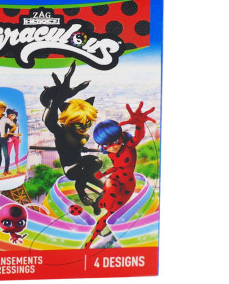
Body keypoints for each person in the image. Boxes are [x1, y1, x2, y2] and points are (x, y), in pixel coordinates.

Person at [84, 101, 155, 248]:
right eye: (106, 145)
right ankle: (91, 240)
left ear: (121, 136)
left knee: (110, 211)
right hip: (115, 180)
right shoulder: (111, 154)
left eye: (115, 141)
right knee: (109, 198)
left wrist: (139, 123)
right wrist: (104, 173)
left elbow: (139, 136)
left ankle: (95, 236)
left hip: (126, 183)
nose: (112, 147)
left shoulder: (128, 147)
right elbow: (117, 167)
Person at [41, 61, 104, 208]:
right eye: (78, 124)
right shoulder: (62, 132)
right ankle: (81, 191)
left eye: (87, 124)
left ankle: (97, 202)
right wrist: (55, 102)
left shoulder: (79, 134)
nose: (84, 128)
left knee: (97, 171)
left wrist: (82, 147)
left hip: (80, 163)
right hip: (70, 169)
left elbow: (76, 146)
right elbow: (49, 122)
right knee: (95, 165)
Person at [0, 100, 16, 175]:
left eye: (1, 109)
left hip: (3, 138)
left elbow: (14, 126)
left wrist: (7, 133)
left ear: (4, 109)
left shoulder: (5, 119)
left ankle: (6, 170)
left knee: (6, 155)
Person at [5, 109, 23, 174]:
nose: (11, 116)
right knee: (8, 153)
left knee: (17, 153)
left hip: (16, 139)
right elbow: (7, 132)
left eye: (13, 115)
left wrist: (18, 137)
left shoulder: (16, 124)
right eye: (10, 115)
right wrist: (17, 135)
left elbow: (17, 131)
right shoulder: (7, 124)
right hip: (10, 138)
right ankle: (7, 169)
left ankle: (18, 169)